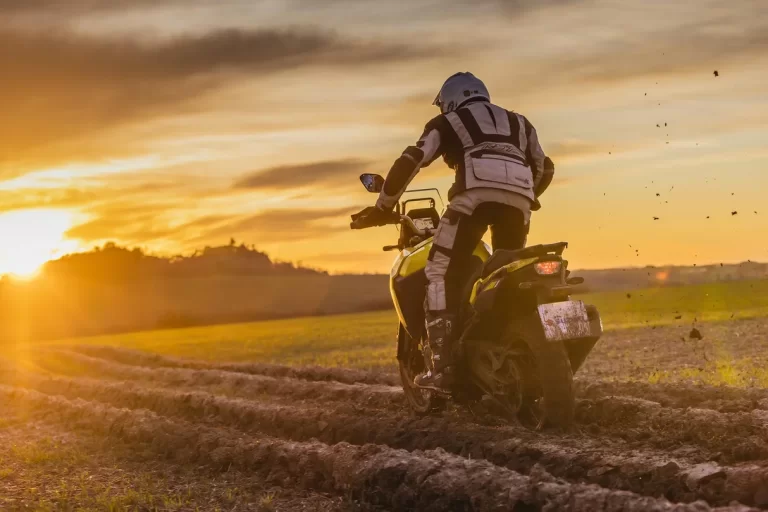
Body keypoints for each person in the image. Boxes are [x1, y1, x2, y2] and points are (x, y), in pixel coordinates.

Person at [356, 72, 554, 392]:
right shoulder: (521, 123)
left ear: (450, 100)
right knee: (502, 270)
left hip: (473, 200)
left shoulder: (448, 121)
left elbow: (413, 158)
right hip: (519, 204)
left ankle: (442, 364)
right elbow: (545, 167)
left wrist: (382, 206)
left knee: (439, 271)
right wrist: (529, 195)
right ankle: (501, 340)